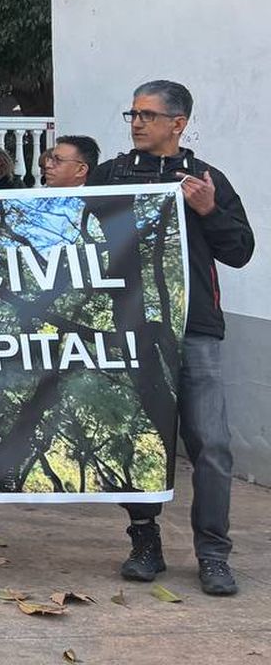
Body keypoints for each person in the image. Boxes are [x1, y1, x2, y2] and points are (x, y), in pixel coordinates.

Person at [90, 81, 253, 597]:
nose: (136, 123)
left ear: (177, 124)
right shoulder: (111, 176)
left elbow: (241, 250)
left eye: (146, 114)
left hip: (196, 330)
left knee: (212, 445)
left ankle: (213, 555)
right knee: (139, 440)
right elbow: (75, 238)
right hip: (131, 328)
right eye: (131, 113)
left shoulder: (206, 180)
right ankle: (144, 543)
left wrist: (208, 209)